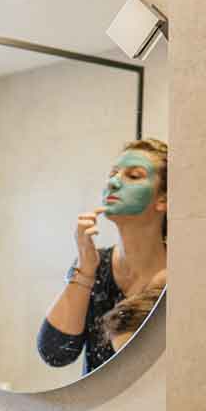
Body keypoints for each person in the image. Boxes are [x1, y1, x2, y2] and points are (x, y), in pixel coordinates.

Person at [38, 138, 168, 373]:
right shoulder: (95, 265)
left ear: (164, 200)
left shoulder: (183, 272)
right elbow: (55, 354)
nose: (114, 182)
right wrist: (86, 269)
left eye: (134, 176)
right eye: (113, 174)